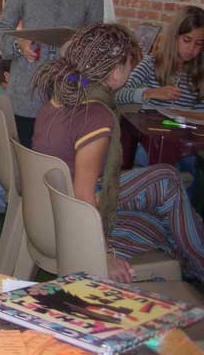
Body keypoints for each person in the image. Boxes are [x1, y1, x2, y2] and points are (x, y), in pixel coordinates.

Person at [32, 23, 204, 282]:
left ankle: (193, 264)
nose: (132, 69)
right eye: (130, 65)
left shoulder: (63, 93)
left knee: (164, 205)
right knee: (166, 191)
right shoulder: (96, 114)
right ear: (115, 71)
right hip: (69, 224)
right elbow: (83, 196)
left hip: (47, 212)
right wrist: (103, 255)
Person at [0, 0, 104, 148]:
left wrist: (76, 50)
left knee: (58, 159)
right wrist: (18, 45)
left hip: (69, 94)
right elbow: (1, 30)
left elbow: (96, 46)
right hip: (26, 94)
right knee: (24, 158)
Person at [116, 5, 204, 113]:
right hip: (149, 122)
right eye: (186, 40)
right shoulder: (151, 63)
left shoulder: (200, 73)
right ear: (174, 37)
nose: (191, 48)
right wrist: (150, 93)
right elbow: (118, 95)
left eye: (199, 43)